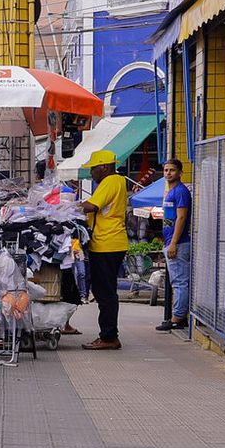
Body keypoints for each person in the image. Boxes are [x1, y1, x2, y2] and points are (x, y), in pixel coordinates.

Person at [78, 149, 129, 350]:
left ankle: (109, 337)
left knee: (105, 292)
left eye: (93, 169)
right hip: (108, 243)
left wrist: (68, 207)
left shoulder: (110, 181)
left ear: (104, 167)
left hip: (108, 244)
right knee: (103, 291)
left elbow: (91, 206)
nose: (91, 173)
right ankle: (108, 334)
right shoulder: (116, 182)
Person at [156, 158, 192, 332]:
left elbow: (182, 217)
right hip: (170, 242)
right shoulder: (170, 191)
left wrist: (174, 243)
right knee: (177, 281)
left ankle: (178, 318)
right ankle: (177, 316)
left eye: (172, 170)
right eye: (165, 170)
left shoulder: (181, 192)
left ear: (180, 172)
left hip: (178, 244)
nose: (168, 173)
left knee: (179, 282)